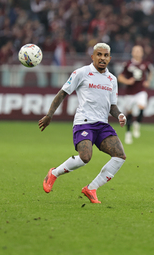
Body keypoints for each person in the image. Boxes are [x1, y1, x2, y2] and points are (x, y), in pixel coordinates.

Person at [39, 43, 127, 204]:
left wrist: (120, 114)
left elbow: (112, 106)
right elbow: (62, 93)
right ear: (92, 57)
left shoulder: (112, 79)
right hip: (84, 122)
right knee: (85, 157)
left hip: (102, 125)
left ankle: (91, 188)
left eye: (105, 55)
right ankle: (54, 173)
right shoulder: (81, 73)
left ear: (110, 58)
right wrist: (49, 115)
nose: (102, 58)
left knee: (120, 156)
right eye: (99, 54)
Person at [118, 45, 152, 144]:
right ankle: (128, 133)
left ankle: (137, 123)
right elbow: (120, 77)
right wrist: (127, 81)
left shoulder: (145, 64)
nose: (137, 52)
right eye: (135, 51)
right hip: (129, 93)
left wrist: (148, 81)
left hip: (141, 90)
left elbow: (150, 72)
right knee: (129, 113)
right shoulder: (128, 64)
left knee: (142, 106)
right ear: (132, 52)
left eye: (139, 51)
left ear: (142, 53)